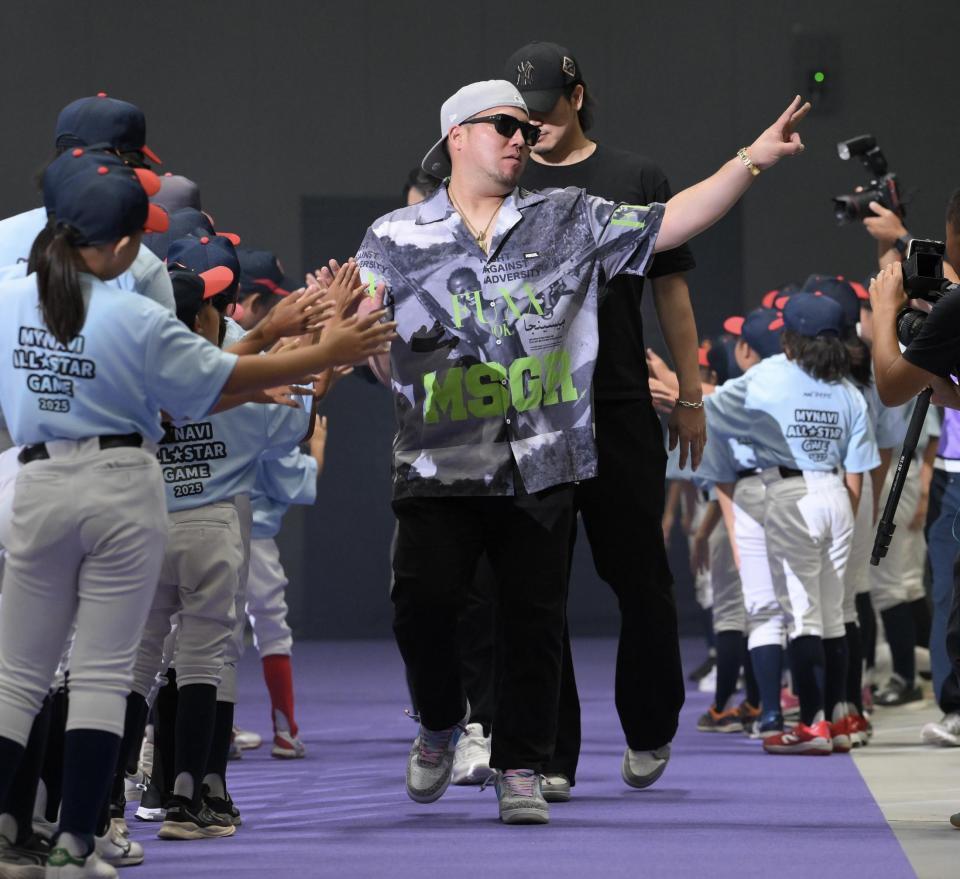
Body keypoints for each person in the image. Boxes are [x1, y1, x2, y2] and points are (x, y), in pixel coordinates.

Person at [360, 76, 809, 823]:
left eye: (526, 126)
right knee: (423, 606)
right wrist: (351, 341)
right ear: (456, 139)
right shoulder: (395, 236)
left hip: (542, 457)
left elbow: (671, 223)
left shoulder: (566, 217)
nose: (521, 136)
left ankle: (523, 765)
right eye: (503, 124)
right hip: (437, 463)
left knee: (534, 617)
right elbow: (366, 330)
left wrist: (751, 159)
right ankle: (439, 719)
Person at [0, 153, 395, 877]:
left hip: (35, 480)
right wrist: (325, 345)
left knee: (18, 674)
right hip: (121, 487)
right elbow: (225, 379)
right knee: (100, 674)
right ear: (123, 247)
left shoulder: (8, 299)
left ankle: (6, 834)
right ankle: (75, 844)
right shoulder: (137, 317)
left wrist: (281, 333)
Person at [501, 41, 702, 795]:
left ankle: (650, 724)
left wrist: (691, 393)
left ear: (577, 97)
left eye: (547, 113)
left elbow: (671, 293)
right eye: (522, 118)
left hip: (617, 404)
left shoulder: (634, 178)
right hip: (529, 410)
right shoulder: (503, 180)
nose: (535, 130)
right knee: (532, 584)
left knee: (640, 576)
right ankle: (550, 750)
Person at [703, 293, 879, 754]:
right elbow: (860, 464)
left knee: (801, 616)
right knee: (836, 613)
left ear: (790, 337)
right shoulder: (849, 390)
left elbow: (714, 406)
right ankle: (839, 720)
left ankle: (813, 725)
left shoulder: (770, 375)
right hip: (838, 495)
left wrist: (673, 386)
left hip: (788, 493)